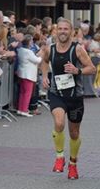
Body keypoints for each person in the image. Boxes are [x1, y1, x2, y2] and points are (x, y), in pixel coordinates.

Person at [38, 18, 96, 180]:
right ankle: (59, 157)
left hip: (75, 96)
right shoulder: (50, 49)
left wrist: (77, 70)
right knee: (58, 123)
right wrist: (44, 76)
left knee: (74, 133)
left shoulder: (77, 49)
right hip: (57, 93)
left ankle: (73, 164)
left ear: (71, 32)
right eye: (60, 29)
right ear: (56, 31)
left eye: (66, 29)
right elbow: (44, 61)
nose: (63, 32)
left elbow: (91, 68)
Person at [16, 34, 42, 117]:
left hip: (22, 73)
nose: (32, 42)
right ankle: (24, 110)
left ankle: (20, 109)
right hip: (29, 75)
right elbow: (37, 60)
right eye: (31, 41)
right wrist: (41, 55)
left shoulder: (20, 50)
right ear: (29, 42)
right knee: (27, 93)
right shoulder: (29, 52)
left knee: (22, 92)